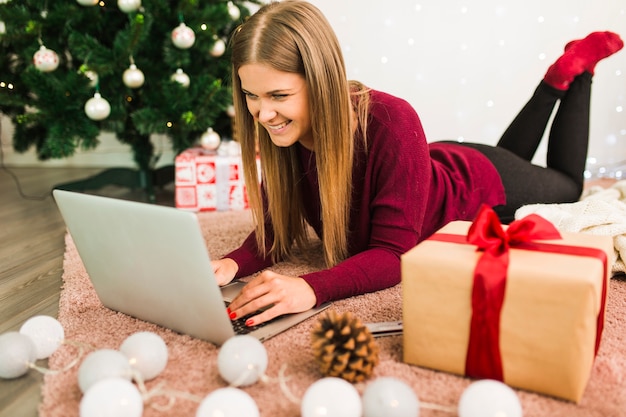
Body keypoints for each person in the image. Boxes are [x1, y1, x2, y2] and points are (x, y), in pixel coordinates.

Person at [212, 0, 624, 326]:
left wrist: (310, 287)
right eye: (252, 95)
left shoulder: (391, 119)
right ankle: (555, 80)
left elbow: (393, 255)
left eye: (279, 96)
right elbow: (273, 234)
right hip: (426, 166)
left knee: (568, 186)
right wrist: (231, 264)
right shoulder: (284, 132)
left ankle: (578, 71)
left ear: (321, 79)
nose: (263, 114)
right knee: (515, 156)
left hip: (480, 185)